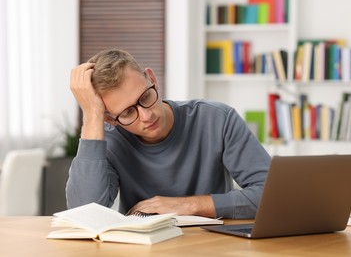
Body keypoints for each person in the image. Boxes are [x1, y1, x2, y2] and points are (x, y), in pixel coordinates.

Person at [66, 48, 271, 219]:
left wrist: (192, 205)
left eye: (145, 96)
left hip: (213, 245)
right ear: (110, 119)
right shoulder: (109, 141)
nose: (146, 116)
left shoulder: (217, 118)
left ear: (153, 79)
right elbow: (85, 214)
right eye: (128, 113)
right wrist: (92, 114)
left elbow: (273, 195)